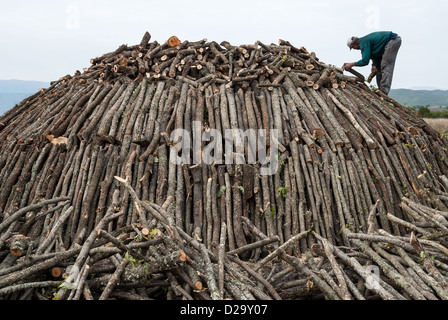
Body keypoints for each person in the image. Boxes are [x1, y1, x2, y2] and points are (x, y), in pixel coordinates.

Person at [344, 31, 401, 95]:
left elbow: (365, 61)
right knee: (378, 68)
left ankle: (384, 91)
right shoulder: (364, 42)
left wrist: (351, 64)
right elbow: (376, 53)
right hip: (389, 42)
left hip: (392, 40)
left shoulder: (363, 43)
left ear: (353, 45)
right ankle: (380, 89)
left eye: (353, 48)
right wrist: (374, 65)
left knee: (386, 65)